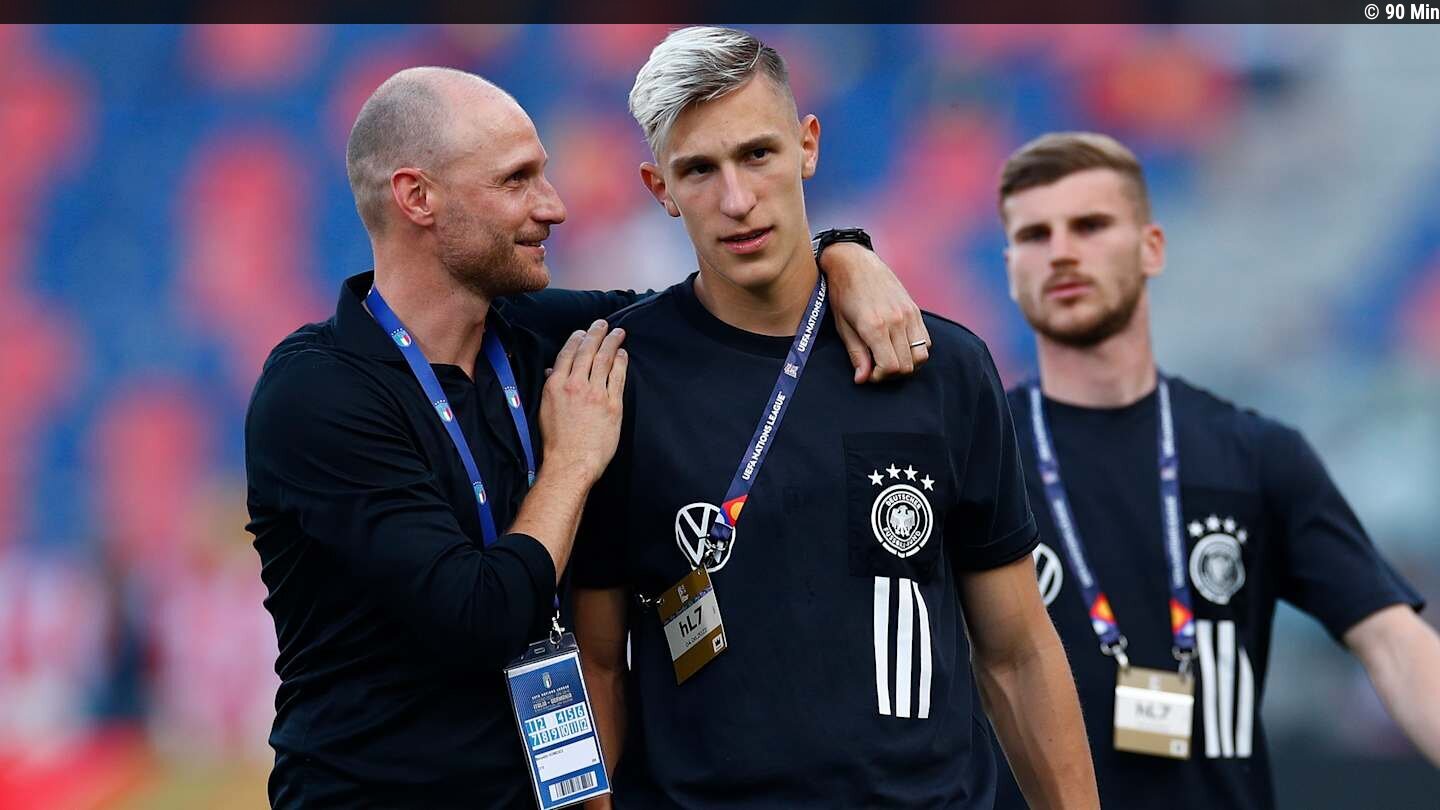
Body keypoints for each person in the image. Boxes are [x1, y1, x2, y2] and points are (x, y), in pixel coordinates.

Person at [245, 66, 931, 808]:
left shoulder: (542, 336)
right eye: (517, 181)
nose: (554, 207)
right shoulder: (319, 394)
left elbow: (727, 306)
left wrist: (844, 255)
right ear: (417, 198)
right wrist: (572, 461)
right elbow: (479, 615)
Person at [572, 27, 1098, 809]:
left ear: (807, 146)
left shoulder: (939, 366)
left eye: (758, 154)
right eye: (699, 170)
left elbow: (1018, 651)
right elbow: (597, 664)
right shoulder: (618, 379)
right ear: (660, 188)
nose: (736, 199)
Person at [991, 131, 1440, 810]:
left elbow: (1392, 641)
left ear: (1152, 247)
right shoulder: (973, 456)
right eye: (1034, 235)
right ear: (1009, 266)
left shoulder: (1255, 456)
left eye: (1090, 225)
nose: (1061, 252)